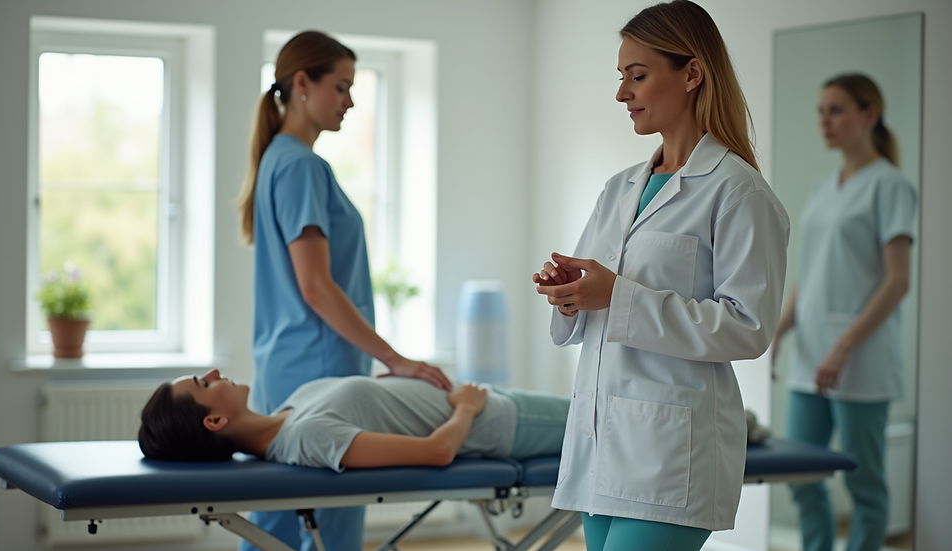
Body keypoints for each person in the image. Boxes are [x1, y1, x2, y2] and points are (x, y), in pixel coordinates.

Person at [531, 2, 789, 549]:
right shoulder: (619, 187)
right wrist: (570, 295)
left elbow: (747, 327)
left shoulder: (738, 192)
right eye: (621, 77)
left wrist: (618, 295)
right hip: (599, 445)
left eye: (637, 75)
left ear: (692, 74)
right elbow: (598, 298)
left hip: (672, 456)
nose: (622, 94)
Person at [236, 31, 451, 551]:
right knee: (325, 531)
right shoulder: (301, 166)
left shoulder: (278, 160)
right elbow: (316, 286)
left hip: (288, 366)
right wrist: (395, 359)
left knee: (276, 526)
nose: (350, 101)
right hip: (318, 368)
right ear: (302, 84)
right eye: (341, 86)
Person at [771, 74, 916, 551]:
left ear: (869, 114)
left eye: (835, 110)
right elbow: (810, 273)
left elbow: (897, 281)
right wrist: (779, 332)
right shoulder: (822, 187)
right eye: (820, 111)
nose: (824, 121)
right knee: (800, 475)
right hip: (810, 354)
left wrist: (843, 347)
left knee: (864, 483)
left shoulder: (890, 186)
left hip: (861, 358)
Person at [138, 369, 570, 469]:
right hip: (505, 422)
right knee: (609, 420)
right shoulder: (306, 437)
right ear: (214, 421)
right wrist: (467, 408)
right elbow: (437, 452)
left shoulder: (288, 413)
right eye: (203, 383)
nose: (215, 372)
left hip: (494, 403)